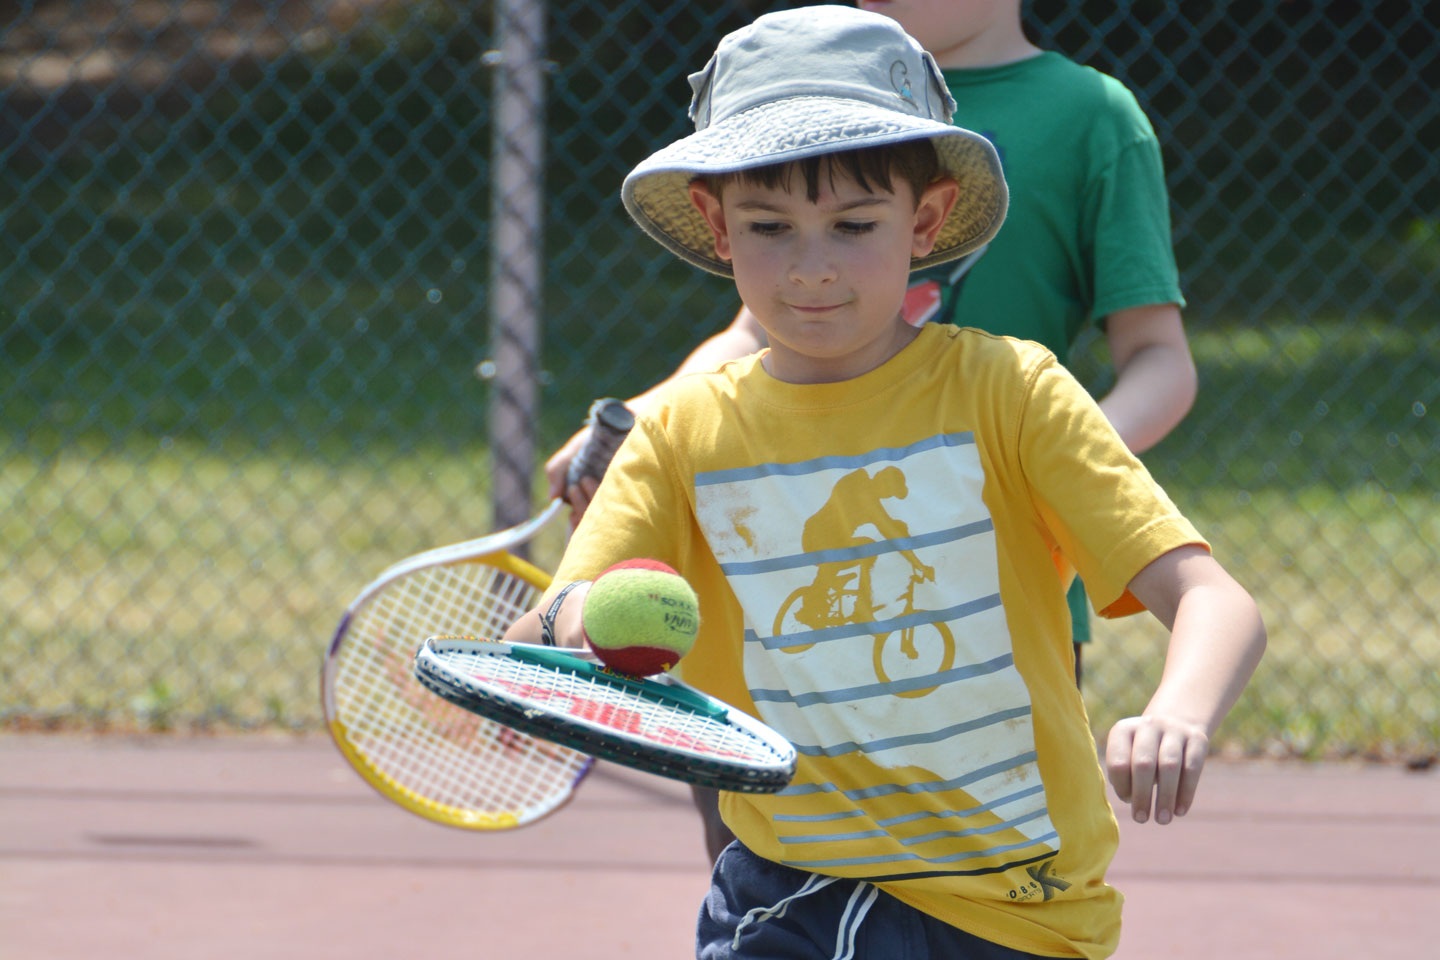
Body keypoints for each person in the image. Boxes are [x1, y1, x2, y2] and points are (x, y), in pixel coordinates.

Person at [507, 8, 1264, 958]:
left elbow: (1214, 601)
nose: (811, 268)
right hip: (786, 891)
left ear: (928, 220)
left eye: (854, 225)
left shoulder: (1014, 393)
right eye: (769, 227)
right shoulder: (682, 432)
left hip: (1015, 912)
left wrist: (1176, 714)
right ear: (715, 225)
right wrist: (580, 624)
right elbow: (543, 632)